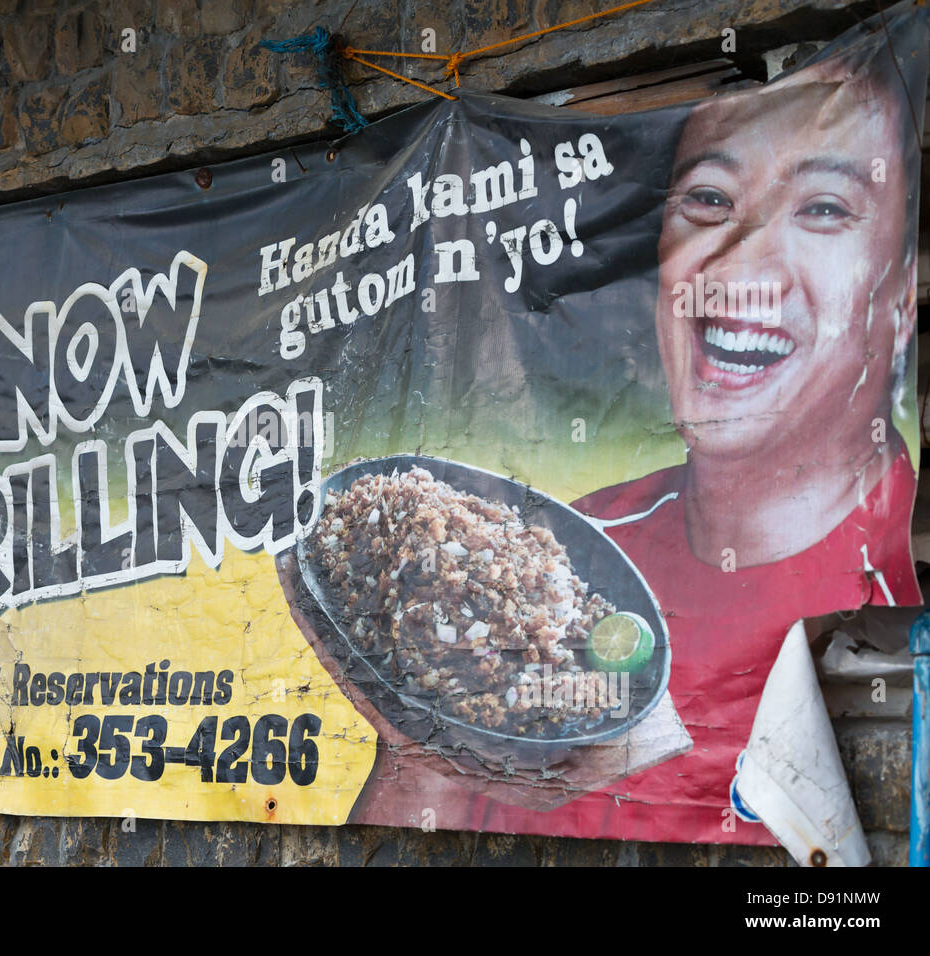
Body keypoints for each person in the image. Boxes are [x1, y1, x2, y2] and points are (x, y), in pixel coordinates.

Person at [351, 41, 924, 843]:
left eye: (825, 207)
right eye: (710, 201)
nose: (741, 266)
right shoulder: (566, 562)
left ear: (900, 301)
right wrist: (417, 750)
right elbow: (420, 810)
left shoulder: (894, 606)